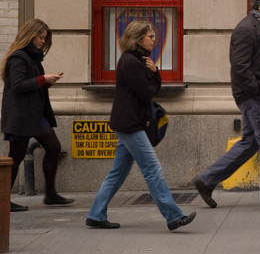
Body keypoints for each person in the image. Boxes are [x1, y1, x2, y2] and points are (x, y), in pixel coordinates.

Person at [86, 18, 195, 231]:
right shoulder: (130, 62)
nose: (155, 39)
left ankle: (96, 215)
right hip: (130, 124)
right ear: (138, 39)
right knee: (152, 168)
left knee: (118, 172)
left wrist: (154, 73)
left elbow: (151, 88)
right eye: (150, 36)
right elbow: (147, 92)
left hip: (128, 122)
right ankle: (173, 216)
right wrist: (154, 74)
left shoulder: (139, 60)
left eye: (154, 36)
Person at [193, 0, 260, 212]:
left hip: (256, 95)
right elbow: (240, 67)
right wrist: (259, 90)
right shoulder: (246, 29)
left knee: (251, 142)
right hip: (253, 96)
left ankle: (207, 180)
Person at [1, 18, 73, 211]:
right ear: (30, 36)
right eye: (40, 38)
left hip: (34, 115)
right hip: (21, 117)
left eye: (44, 38)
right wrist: (42, 79)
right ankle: (3, 200)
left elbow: (30, 83)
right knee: (15, 157)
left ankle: (50, 195)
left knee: (53, 147)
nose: (43, 41)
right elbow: (18, 86)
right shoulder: (18, 57)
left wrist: (46, 82)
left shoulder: (32, 58)